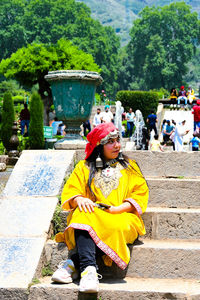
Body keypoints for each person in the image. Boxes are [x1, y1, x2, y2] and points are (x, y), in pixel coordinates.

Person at [52, 122, 149, 293]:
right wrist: (79, 199)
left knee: (114, 226)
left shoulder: (130, 166)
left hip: (123, 215)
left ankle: (74, 263)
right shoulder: (84, 167)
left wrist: (114, 209)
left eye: (117, 140)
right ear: (99, 145)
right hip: (94, 214)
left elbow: (139, 195)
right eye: (110, 141)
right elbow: (72, 191)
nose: (117, 145)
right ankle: (89, 271)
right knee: (82, 213)